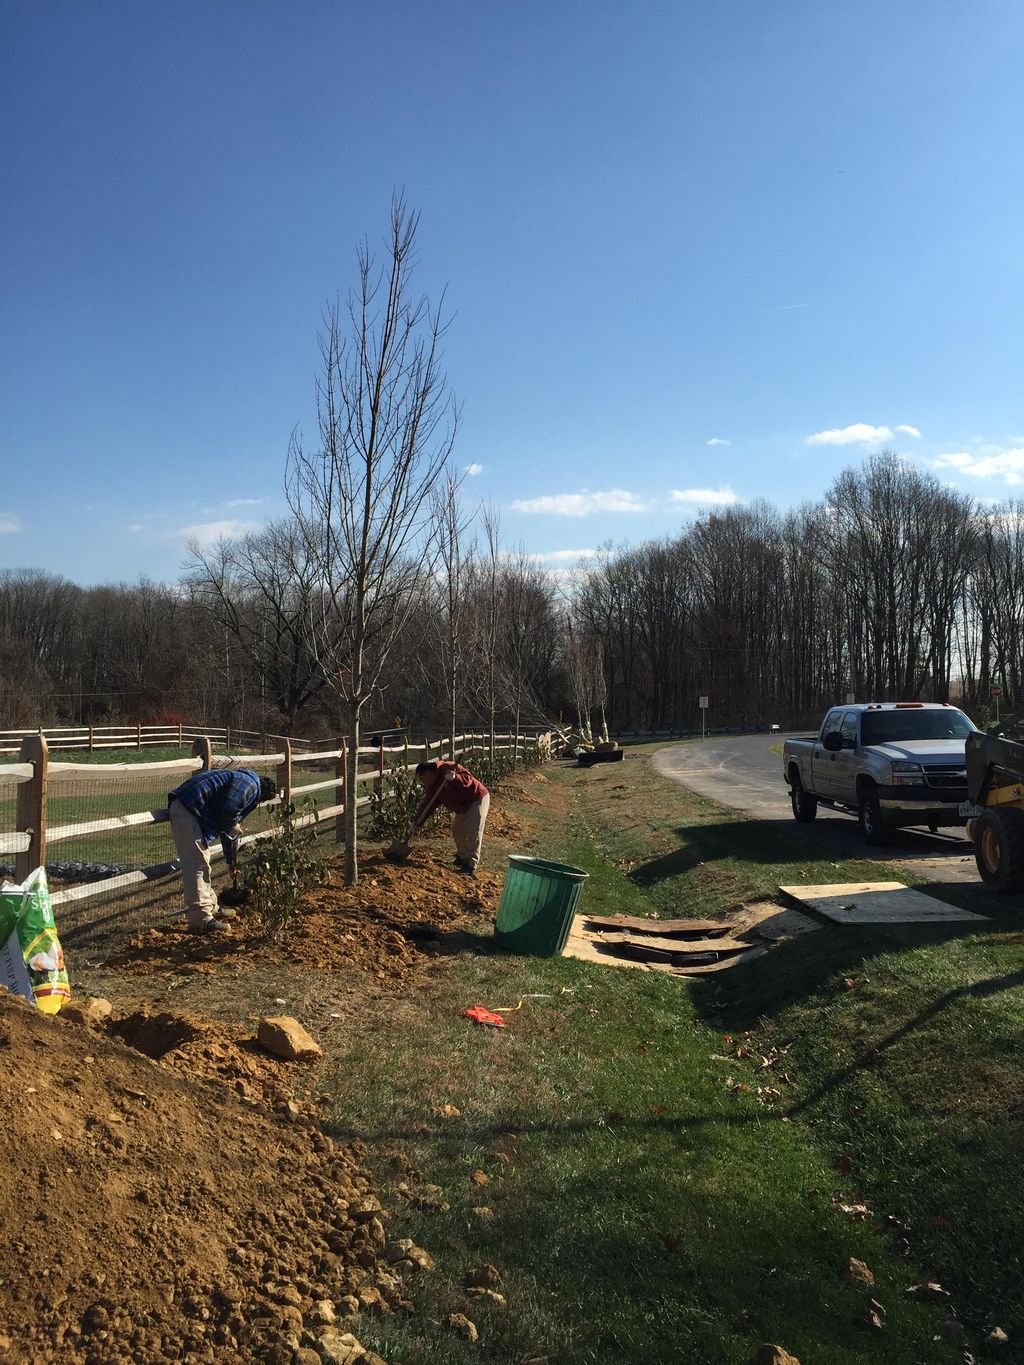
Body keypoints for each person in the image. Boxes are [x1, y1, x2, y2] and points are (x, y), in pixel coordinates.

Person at [167, 768, 277, 933]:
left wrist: (230, 862)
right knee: (196, 864)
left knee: (202, 862)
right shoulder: (250, 786)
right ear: (261, 797)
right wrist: (233, 826)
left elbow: (228, 827)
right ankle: (200, 919)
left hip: (190, 808)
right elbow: (229, 813)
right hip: (189, 809)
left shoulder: (244, 781)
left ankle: (211, 908)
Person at [412, 759, 490, 876]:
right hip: (462, 806)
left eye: (423, 778)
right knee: (457, 829)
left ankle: (471, 865)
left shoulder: (447, 767)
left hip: (476, 798)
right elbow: (428, 805)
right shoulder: (432, 787)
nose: (423, 782)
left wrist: (455, 778)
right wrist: (416, 822)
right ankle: (462, 857)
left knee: (473, 830)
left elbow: (468, 779)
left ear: (429, 772)